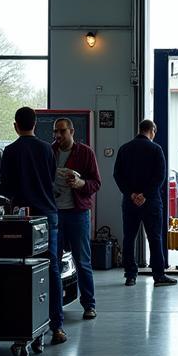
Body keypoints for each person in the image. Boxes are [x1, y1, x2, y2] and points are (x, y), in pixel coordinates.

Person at [0, 106, 66, 344]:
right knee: (52, 268)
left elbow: (5, 188)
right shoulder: (47, 149)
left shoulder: (10, 151)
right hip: (48, 215)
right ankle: (57, 327)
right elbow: (50, 179)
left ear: (15, 125)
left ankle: (23, 326)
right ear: (35, 124)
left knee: (19, 271)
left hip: (21, 219)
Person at [113, 119, 176, 287]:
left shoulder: (124, 149)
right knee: (154, 238)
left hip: (129, 202)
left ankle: (130, 276)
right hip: (151, 202)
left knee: (129, 238)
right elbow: (160, 176)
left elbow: (117, 175)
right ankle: (158, 275)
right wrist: (145, 195)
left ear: (139, 129)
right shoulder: (156, 149)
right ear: (152, 131)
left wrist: (131, 194)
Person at [52, 117, 102, 320]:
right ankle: (53, 307)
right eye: (56, 131)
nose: (58, 135)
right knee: (52, 261)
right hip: (54, 213)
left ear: (72, 131)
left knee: (82, 261)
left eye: (62, 131)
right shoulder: (50, 152)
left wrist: (81, 183)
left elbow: (96, 183)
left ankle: (89, 304)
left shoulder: (85, 153)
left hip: (78, 213)